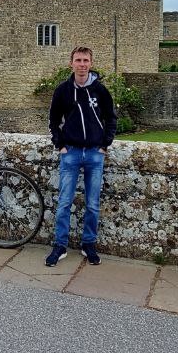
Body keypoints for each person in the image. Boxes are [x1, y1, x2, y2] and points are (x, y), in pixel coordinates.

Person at [46, 45, 116, 267]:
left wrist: (105, 144)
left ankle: (89, 244)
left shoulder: (100, 91)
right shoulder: (63, 91)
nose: (82, 65)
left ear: (91, 63)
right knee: (64, 202)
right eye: (78, 60)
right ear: (71, 63)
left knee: (93, 204)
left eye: (86, 60)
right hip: (71, 152)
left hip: (95, 153)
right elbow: (53, 121)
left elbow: (111, 118)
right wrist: (60, 145)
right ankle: (60, 245)